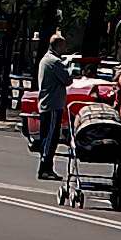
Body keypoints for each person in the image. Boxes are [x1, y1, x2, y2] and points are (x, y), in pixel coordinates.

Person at [37, 33, 74, 181]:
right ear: (57, 45)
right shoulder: (54, 61)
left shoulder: (45, 59)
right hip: (53, 104)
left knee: (47, 136)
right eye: (63, 45)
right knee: (50, 138)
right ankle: (44, 168)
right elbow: (67, 79)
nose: (65, 48)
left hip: (46, 104)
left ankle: (47, 168)